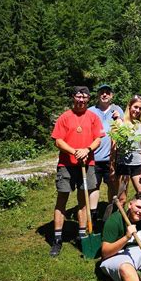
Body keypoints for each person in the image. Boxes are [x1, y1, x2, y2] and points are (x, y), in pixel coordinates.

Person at [50, 86, 104, 257]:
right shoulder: (65, 117)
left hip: (87, 164)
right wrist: (75, 151)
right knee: (62, 199)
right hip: (66, 165)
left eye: (84, 97)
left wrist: (87, 149)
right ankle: (57, 239)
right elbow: (58, 141)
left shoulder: (93, 117)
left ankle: (82, 235)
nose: (81, 100)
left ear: (88, 99)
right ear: (73, 98)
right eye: (78, 97)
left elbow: (98, 139)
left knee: (83, 199)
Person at [88, 84, 124, 221]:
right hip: (94, 157)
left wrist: (119, 119)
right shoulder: (91, 111)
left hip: (111, 157)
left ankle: (111, 212)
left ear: (111, 96)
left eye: (107, 93)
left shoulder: (117, 110)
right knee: (93, 186)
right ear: (98, 95)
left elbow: (123, 129)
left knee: (112, 185)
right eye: (102, 92)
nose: (104, 95)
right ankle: (93, 214)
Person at [112, 95, 141, 204]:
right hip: (122, 164)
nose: (137, 110)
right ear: (129, 106)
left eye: (140, 108)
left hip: (137, 165)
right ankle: (120, 220)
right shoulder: (120, 123)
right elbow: (114, 147)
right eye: (135, 107)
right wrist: (112, 166)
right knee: (121, 199)